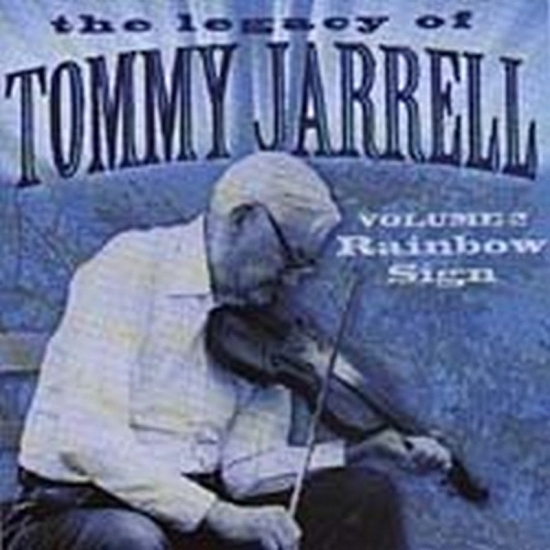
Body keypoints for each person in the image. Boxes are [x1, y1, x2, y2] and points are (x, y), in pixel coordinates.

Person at [3, 152, 451, 550]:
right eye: (290, 256)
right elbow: (87, 438)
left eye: (306, 266)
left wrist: (357, 452)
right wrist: (218, 514)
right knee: (132, 538)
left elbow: (245, 470)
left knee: (365, 496)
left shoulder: (261, 325)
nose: (293, 279)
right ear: (243, 219)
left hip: (194, 514)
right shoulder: (129, 265)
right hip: (78, 511)